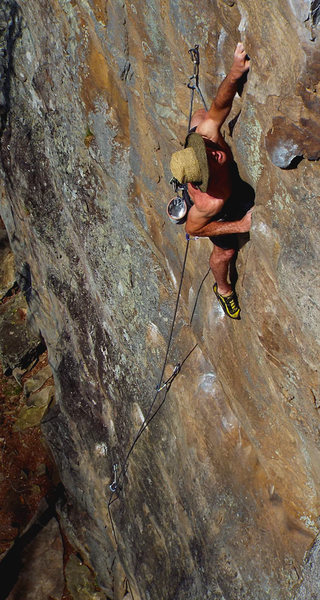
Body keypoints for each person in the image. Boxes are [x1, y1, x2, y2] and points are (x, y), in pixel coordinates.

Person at [170, 42, 254, 319]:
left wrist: (234, 73)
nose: (216, 156)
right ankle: (223, 289)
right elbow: (195, 230)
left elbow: (221, 103)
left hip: (210, 177)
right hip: (225, 204)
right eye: (209, 163)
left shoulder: (207, 135)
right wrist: (240, 225)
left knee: (202, 116)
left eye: (207, 151)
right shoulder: (209, 202)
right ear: (203, 177)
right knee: (224, 256)